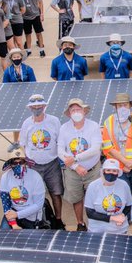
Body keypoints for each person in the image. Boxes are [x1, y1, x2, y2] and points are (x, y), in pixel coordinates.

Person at [16, 93, 64, 223]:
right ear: (30, 108)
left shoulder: (54, 121)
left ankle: (58, 220)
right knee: (35, 194)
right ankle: (39, 220)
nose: (37, 108)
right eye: (34, 106)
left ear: (44, 106)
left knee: (56, 193)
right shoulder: (27, 123)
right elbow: (22, 143)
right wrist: (27, 157)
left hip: (52, 163)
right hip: (34, 165)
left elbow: (60, 141)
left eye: (39, 106)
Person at [58, 97, 102, 231]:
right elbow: (60, 151)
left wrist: (76, 158)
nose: (76, 112)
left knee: (95, 197)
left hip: (92, 170)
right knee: (76, 197)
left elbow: (95, 148)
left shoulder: (93, 126)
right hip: (73, 171)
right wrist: (76, 166)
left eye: (78, 109)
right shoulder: (64, 128)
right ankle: (80, 223)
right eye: (73, 110)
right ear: (69, 113)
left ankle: (95, 223)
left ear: (84, 111)